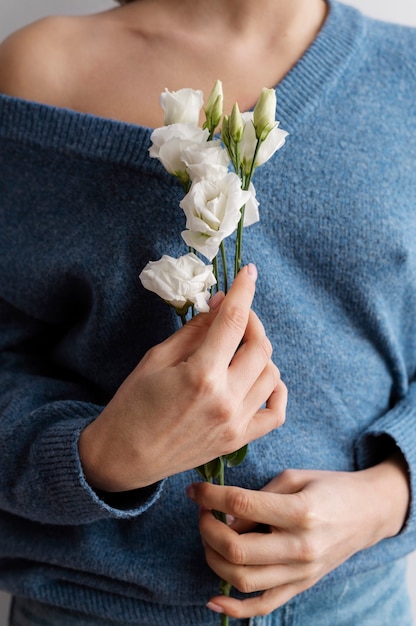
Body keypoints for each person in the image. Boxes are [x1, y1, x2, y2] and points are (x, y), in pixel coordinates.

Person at [0, 0, 415, 624]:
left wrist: (388, 497)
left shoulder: (404, 73)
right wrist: (98, 456)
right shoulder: (39, 71)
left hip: (360, 607)